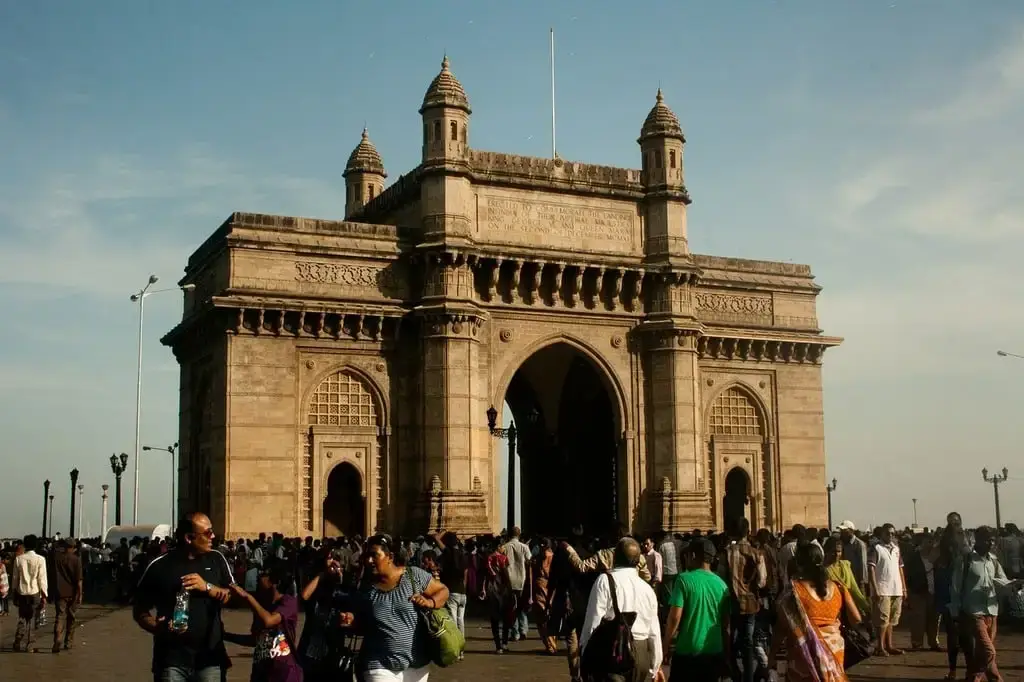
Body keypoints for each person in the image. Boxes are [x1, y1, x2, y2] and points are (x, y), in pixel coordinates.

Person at [134, 513, 236, 682]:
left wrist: (207, 587)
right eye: (208, 533)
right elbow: (140, 609)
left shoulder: (216, 560)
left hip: (209, 659)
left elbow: (233, 596)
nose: (213, 536)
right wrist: (157, 627)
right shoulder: (160, 566)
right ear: (189, 538)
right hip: (171, 660)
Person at [338, 533, 449, 681]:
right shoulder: (366, 589)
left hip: (418, 665)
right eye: (367, 556)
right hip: (378, 664)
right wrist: (351, 620)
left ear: (390, 557)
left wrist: (430, 602)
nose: (369, 560)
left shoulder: (413, 576)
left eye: (374, 555)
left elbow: (443, 591)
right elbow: (363, 622)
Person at [770, 543, 861, 681]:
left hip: (803, 654)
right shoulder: (838, 587)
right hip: (834, 649)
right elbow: (856, 618)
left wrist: (771, 657)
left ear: (798, 564)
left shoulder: (793, 592)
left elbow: (781, 629)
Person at [580, 538, 662, 682]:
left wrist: (584, 652)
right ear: (638, 561)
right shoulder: (647, 589)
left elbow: (593, 621)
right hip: (641, 654)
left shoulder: (605, 581)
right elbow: (654, 632)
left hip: (613, 651)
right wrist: (655, 667)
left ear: (615, 557)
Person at [950, 525, 1021, 682]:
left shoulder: (993, 561)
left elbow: (1002, 581)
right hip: (973, 612)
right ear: (978, 540)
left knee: (983, 653)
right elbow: (955, 587)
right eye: (988, 540)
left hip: (992, 611)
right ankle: (975, 677)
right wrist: (955, 612)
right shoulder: (966, 560)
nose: (991, 544)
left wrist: (1014, 585)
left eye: (993, 540)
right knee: (989, 652)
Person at [660, 539, 731, 682]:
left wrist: (665, 646)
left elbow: (674, 617)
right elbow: (725, 624)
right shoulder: (722, 585)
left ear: (692, 555)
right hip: (714, 649)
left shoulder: (684, 579)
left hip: (688, 651)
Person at [227, 564, 303, 682]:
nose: (258, 577)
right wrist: (226, 635)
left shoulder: (288, 602)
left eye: (264, 574)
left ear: (275, 581)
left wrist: (248, 597)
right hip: (261, 671)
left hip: (283, 673)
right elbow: (256, 640)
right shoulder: (262, 605)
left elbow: (269, 621)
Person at [867, 525, 905, 657]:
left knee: (892, 620)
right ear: (882, 534)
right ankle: (880, 647)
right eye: (888, 533)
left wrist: (904, 587)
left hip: (896, 588)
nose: (890, 536)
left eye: (892, 534)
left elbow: (900, 568)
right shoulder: (876, 548)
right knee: (882, 620)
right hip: (882, 588)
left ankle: (889, 645)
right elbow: (871, 569)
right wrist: (875, 588)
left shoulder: (896, 548)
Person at [12, 534, 48, 652]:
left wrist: (14, 592)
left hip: (22, 592)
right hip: (35, 592)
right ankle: (29, 645)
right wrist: (44, 595)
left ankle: (18, 640)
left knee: (22, 617)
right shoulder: (40, 559)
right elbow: (42, 579)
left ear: (25, 545)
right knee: (32, 619)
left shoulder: (19, 559)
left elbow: (15, 578)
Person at [51, 537, 84, 653]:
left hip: (60, 592)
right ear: (73, 547)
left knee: (60, 616)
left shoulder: (57, 558)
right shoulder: (76, 559)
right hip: (73, 593)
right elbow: (79, 580)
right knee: (71, 617)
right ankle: (68, 642)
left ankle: (57, 638)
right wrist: (80, 594)